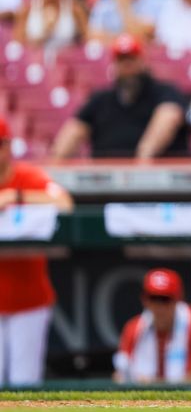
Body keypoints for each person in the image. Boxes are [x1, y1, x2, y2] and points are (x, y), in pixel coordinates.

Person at [0, 116, 74, 387]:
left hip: (28, 300)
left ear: (7, 147)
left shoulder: (27, 176)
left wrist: (15, 197)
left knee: (24, 386)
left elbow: (64, 203)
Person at [52, 34, 190, 159]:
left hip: (155, 179)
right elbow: (75, 129)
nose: (127, 65)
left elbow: (169, 116)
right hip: (105, 179)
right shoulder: (101, 99)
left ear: (142, 61)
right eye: (122, 60)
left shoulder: (164, 91)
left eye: (131, 59)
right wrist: (56, 163)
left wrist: (143, 158)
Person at [113, 269, 191, 384]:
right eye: (153, 298)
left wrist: (152, 383)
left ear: (178, 299)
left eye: (165, 299)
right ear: (144, 300)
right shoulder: (134, 328)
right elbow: (119, 376)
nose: (159, 306)